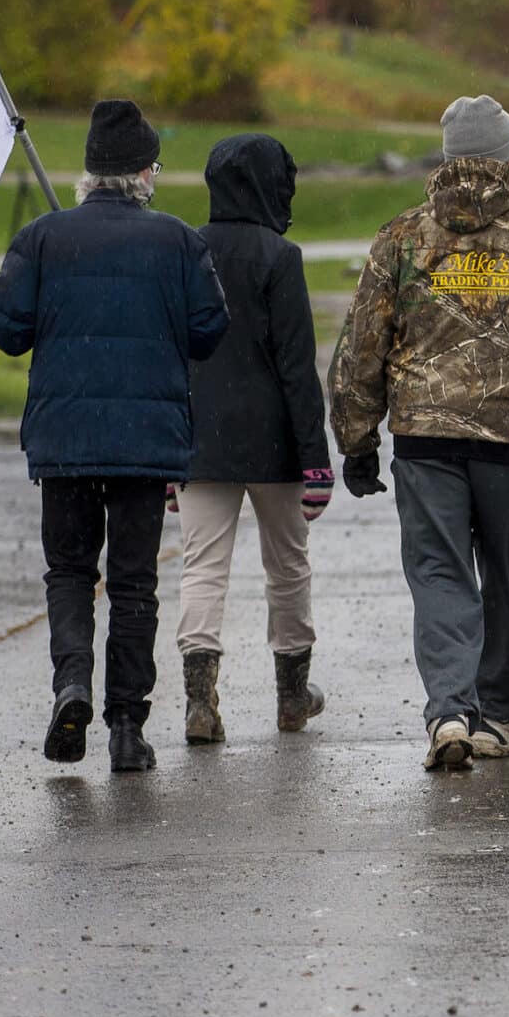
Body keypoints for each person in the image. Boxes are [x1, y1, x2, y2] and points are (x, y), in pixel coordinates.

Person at [328, 95, 509, 771]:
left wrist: (356, 437)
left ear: (445, 157)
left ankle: (449, 711)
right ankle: (493, 714)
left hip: (425, 438)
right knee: (504, 573)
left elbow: (360, 351)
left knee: (438, 574)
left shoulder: (402, 238)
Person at [0, 99, 230, 772]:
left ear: (88, 172)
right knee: (134, 583)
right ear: (145, 172)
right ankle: (126, 726)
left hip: (64, 440)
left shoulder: (42, 238)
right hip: (146, 443)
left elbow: (4, 329)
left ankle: (71, 682)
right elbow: (210, 329)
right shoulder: (178, 240)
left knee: (67, 570)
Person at [172, 134, 333, 747]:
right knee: (287, 566)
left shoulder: (188, 249)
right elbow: (296, 367)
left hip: (200, 440)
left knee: (202, 567)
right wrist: (315, 461)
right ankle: (292, 696)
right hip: (274, 443)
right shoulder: (279, 256)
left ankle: (199, 698)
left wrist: (170, 450)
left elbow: (176, 354)